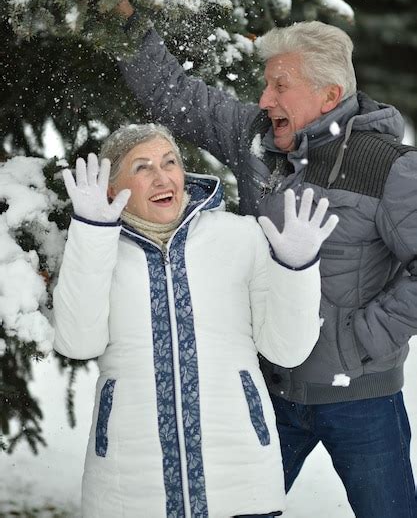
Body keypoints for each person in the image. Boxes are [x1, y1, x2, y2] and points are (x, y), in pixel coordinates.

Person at [117, 15, 417, 517]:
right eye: (265, 84)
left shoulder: (387, 165)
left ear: (329, 94)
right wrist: (123, 21)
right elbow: (172, 94)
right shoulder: (254, 139)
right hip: (269, 392)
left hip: (361, 402)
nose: (264, 99)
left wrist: (362, 341)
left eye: (281, 86)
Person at [52, 123, 337, 518]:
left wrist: (296, 269)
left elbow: (286, 350)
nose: (161, 176)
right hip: (129, 491)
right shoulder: (99, 249)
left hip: (241, 482)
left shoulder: (240, 237)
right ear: (112, 191)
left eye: (170, 162)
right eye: (142, 167)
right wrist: (91, 233)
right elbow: (77, 342)